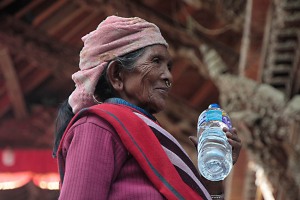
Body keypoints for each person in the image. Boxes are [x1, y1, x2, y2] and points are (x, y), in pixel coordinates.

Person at [53, 15, 242, 200]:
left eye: (169, 67)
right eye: (156, 61)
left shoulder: (151, 138)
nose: (168, 76)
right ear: (117, 75)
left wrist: (212, 178)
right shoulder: (96, 126)